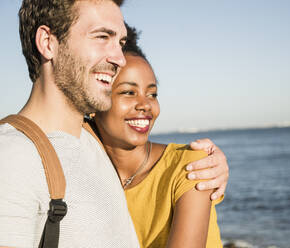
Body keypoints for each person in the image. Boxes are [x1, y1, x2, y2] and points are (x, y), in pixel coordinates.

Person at [0, 0, 229, 247]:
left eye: (119, 42)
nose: (119, 58)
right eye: (101, 37)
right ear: (48, 42)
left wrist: (210, 163)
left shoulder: (94, 144)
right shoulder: (13, 156)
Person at [92, 23, 223, 248]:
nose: (145, 104)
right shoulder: (83, 168)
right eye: (128, 92)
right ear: (94, 101)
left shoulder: (190, 165)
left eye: (152, 93)